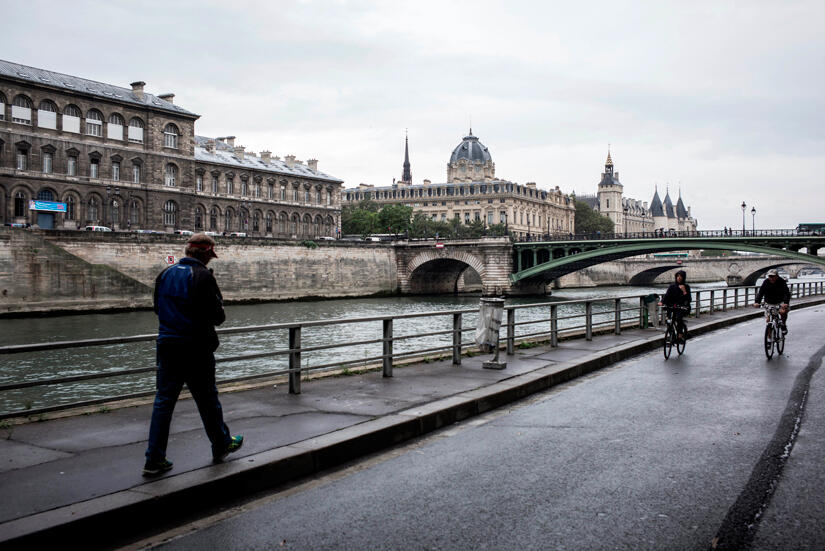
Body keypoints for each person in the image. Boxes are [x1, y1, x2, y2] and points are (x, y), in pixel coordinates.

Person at [143, 233, 243, 476]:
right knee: (208, 399)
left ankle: (154, 458)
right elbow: (217, 317)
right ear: (207, 254)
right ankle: (221, 442)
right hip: (196, 346)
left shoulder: (165, 274)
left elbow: (157, 308)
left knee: (163, 402)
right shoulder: (202, 276)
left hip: (167, 345)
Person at [753, 269, 790, 334]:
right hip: (769, 302)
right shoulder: (766, 282)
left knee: (783, 312)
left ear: (777, 276)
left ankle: (783, 324)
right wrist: (757, 302)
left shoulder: (781, 282)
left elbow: (786, 293)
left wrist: (786, 303)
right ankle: (769, 340)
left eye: (773, 276)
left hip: (780, 302)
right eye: (770, 276)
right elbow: (761, 292)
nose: (771, 278)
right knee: (768, 321)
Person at [658, 270, 692, 341]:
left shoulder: (686, 286)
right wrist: (662, 302)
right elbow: (667, 295)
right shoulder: (672, 286)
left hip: (682, 307)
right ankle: (672, 336)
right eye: (678, 276)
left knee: (678, 318)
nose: (679, 278)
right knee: (669, 321)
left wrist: (684, 291)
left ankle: (680, 335)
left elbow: (689, 299)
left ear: (683, 278)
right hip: (672, 306)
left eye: (681, 276)